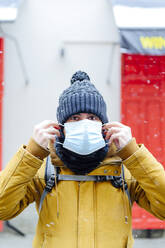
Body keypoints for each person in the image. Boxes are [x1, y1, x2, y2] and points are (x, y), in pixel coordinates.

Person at [0, 71, 165, 248]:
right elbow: (2, 208)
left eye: (92, 118)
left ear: (104, 125)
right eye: (75, 118)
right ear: (62, 127)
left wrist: (133, 154)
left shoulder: (125, 170)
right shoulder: (45, 170)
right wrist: (32, 153)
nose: (84, 124)